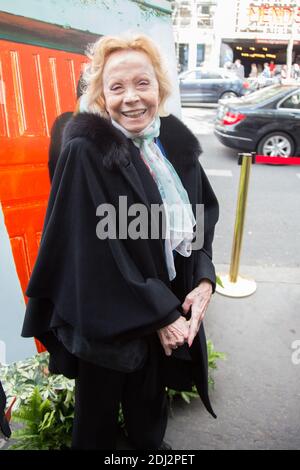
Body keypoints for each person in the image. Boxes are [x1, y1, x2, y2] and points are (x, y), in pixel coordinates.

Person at [21, 34, 219, 450]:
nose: (131, 98)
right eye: (117, 87)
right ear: (101, 95)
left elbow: (201, 218)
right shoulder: (85, 151)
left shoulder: (174, 145)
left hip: (165, 310)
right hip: (109, 320)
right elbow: (91, 253)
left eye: (142, 83)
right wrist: (161, 314)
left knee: (151, 414)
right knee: (96, 426)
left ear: (160, 87)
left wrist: (202, 279)